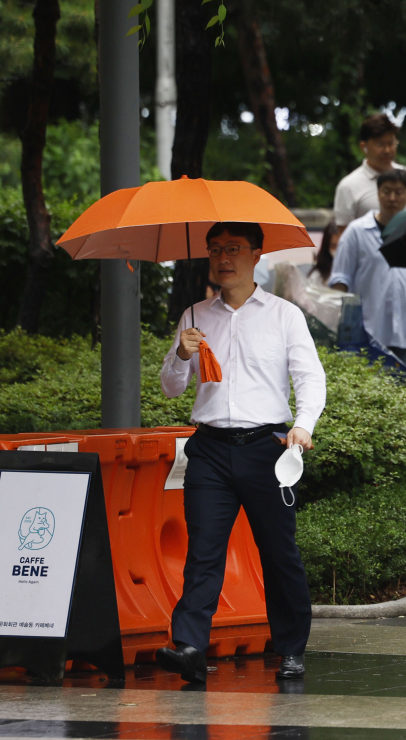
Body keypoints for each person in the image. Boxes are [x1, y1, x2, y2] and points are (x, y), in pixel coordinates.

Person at [157, 221, 326, 684]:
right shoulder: (194, 315)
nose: (223, 258)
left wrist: (303, 425)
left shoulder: (284, 315)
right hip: (209, 450)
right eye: (215, 250)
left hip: (267, 449)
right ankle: (190, 645)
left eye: (233, 248)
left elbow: (309, 377)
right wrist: (181, 355)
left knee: (279, 553)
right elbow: (171, 388)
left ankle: (291, 648)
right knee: (203, 552)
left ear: (256, 254)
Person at [329, 169, 406, 377]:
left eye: (399, 192)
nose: (392, 198)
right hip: (369, 333)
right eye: (386, 191)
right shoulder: (356, 232)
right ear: (377, 194)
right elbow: (340, 280)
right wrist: (339, 322)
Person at [333, 114, 406, 228]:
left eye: (391, 143)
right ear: (364, 147)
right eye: (380, 144)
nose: (387, 150)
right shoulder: (348, 187)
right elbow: (344, 234)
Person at [308, 221, 341, 287]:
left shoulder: (357, 273)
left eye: (341, 245)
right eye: (334, 246)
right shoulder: (317, 277)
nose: (338, 250)